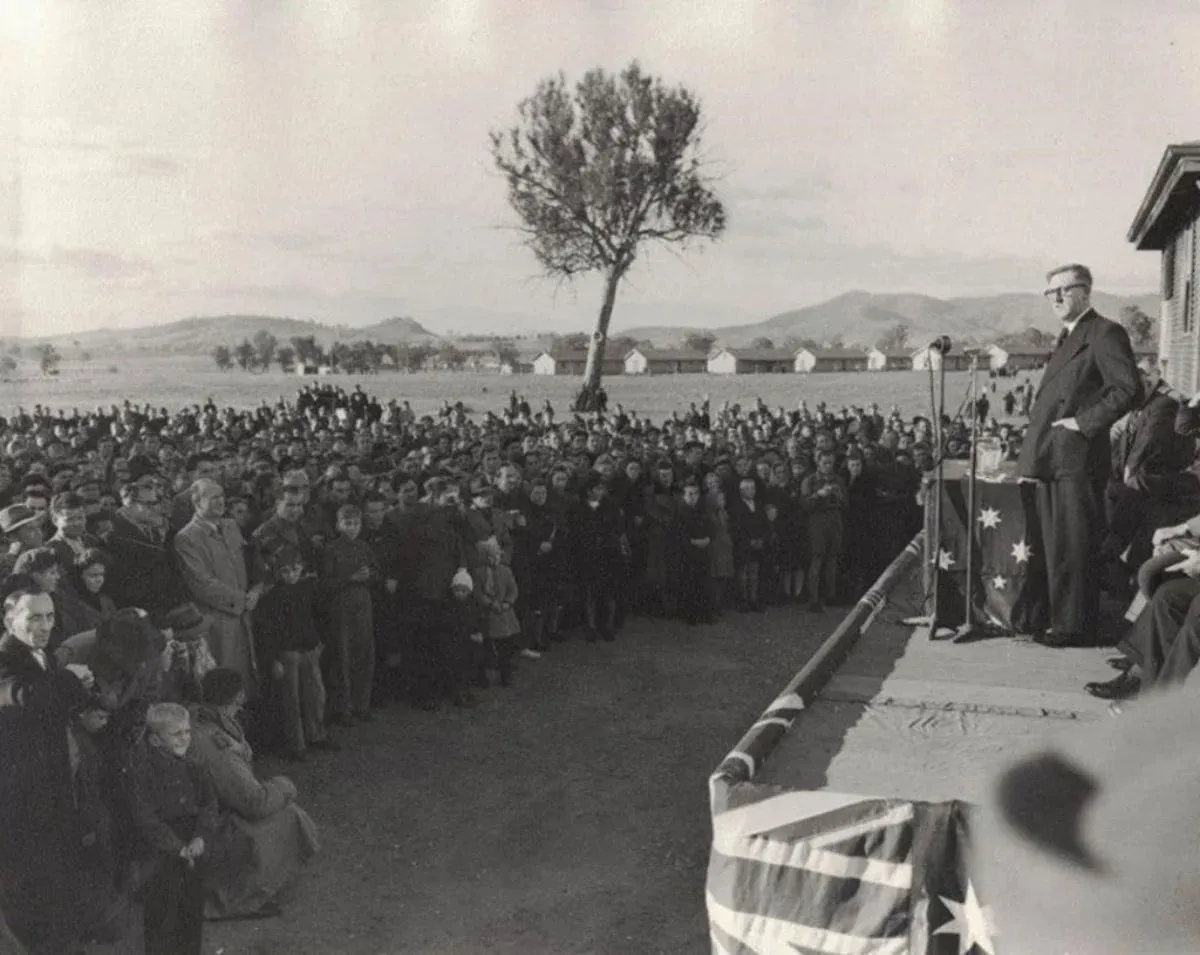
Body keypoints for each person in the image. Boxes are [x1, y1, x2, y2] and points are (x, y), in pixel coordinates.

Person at [1015, 264, 1141, 645]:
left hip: (1077, 457)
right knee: (1056, 542)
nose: (1054, 298)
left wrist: (1083, 423)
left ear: (1085, 292)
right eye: (1049, 292)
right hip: (1053, 457)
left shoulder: (1104, 333)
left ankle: (1074, 627)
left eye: (1063, 290)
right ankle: (1053, 617)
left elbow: (1128, 389)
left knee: (1074, 543)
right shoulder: (1069, 335)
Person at [0, 587, 97, 953]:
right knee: (31, 887)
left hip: (50, 787)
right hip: (21, 797)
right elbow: (27, 697)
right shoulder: (5, 658)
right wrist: (70, 679)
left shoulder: (38, 656)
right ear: (9, 621)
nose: (45, 626)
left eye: (50, 616)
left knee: (54, 880)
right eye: (34, 618)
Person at [187, 669, 319, 920]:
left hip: (201, 815)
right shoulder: (216, 743)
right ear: (238, 697)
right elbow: (253, 803)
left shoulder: (199, 717)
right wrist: (284, 785)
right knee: (290, 817)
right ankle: (238, 899)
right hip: (212, 825)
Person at [127, 702, 217, 955]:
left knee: (192, 909)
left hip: (194, 844)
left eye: (187, 731)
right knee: (162, 913)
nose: (185, 738)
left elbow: (209, 804)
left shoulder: (196, 766)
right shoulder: (143, 773)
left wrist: (201, 837)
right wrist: (177, 848)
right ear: (155, 740)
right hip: (161, 852)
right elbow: (146, 819)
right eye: (177, 734)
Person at [173, 479, 261, 697]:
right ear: (197, 502)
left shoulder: (231, 526)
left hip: (246, 619)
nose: (221, 502)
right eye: (213, 498)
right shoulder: (186, 538)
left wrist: (257, 589)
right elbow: (201, 584)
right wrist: (242, 600)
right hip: (218, 624)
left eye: (222, 496)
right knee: (226, 687)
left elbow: (249, 563)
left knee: (250, 684)